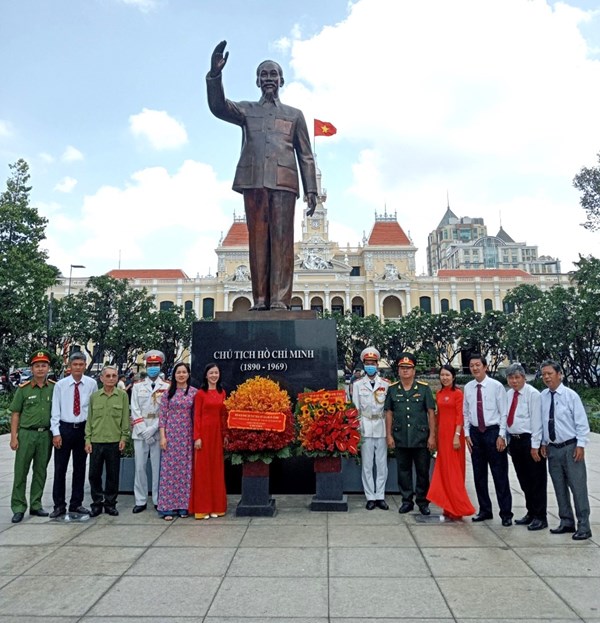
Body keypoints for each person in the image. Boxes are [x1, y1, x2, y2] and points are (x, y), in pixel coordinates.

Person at [206, 40, 318, 311]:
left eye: (273, 74)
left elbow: (306, 154)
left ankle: (280, 300)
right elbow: (219, 107)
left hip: (284, 183)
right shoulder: (247, 110)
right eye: (264, 75)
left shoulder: (295, 115)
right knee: (258, 241)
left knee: (282, 241)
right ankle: (260, 299)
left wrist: (311, 189)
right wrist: (215, 75)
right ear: (257, 82)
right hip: (254, 181)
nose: (269, 79)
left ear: (281, 80)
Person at [539, 360, 592, 540]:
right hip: (553, 449)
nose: (546, 377)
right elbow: (544, 423)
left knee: (578, 487)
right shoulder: (543, 396)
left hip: (571, 448)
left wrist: (581, 445)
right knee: (559, 487)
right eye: (543, 374)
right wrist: (544, 442)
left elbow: (581, 423)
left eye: (550, 373)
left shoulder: (571, 396)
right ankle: (566, 521)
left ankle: (584, 525)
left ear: (559, 374)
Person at [463, 354, 512, 526]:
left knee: (500, 475)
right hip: (476, 434)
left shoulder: (496, 386)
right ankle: (485, 510)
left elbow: (503, 412)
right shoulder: (468, 387)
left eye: (478, 365)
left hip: (493, 432)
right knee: (479, 475)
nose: (475, 368)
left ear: (485, 367)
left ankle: (506, 513)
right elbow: (466, 412)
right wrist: (467, 434)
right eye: (471, 365)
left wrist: (502, 435)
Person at [385, 353, 436, 515]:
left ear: (414, 370)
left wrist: (432, 436)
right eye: (402, 368)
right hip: (401, 437)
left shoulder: (423, 388)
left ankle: (422, 501)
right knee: (403, 471)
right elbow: (389, 413)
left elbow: (431, 413)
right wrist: (389, 435)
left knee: (422, 471)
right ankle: (406, 501)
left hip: (420, 437)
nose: (405, 371)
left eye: (408, 368)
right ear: (398, 371)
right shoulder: (392, 389)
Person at [49, 351, 98, 518]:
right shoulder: (60, 385)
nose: (78, 367)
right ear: (69, 366)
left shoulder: (91, 384)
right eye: (75, 364)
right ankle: (59, 505)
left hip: (82, 430)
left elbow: (93, 409)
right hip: (64, 429)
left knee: (80, 468)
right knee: (60, 469)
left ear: (85, 366)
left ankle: (76, 504)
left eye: (81, 364)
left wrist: (90, 434)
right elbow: (55, 410)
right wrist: (56, 433)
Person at [9, 350, 55, 523]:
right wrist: (14, 437)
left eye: (44, 365)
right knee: (21, 471)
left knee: (40, 471)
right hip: (27, 434)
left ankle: (36, 504)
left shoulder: (54, 388)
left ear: (48, 368)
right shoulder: (24, 390)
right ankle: (19, 507)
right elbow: (15, 414)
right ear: (32, 368)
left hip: (46, 435)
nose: (41, 369)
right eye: (37, 366)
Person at [427, 364, 475, 520]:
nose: (444, 378)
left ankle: (459, 507)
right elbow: (438, 416)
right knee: (443, 471)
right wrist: (433, 435)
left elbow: (459, 416)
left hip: (454, 436)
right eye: (442, 375)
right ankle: (448, 506)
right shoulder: (439, 393)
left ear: (453, 377)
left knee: (454, 472)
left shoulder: (458, 394)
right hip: (442, 435)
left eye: (447, 375)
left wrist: (457, 435)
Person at [505, 362, 547, 531]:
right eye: (511, 378)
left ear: (524, 378)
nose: (514, 381)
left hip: (529, 440)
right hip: (515, 441)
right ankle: (531, 511)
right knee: (524, 480)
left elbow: (537, 421)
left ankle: (540, 516)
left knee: (536, 480)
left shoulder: (533, 394)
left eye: (517, 377)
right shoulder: (509, 395)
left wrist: (535, 446)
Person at [85, 365, 130, 517]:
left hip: (114, 440)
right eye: (108, 376)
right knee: (94, 474)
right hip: (97, 440)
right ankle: (97, 503)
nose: (111, 379)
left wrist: (124, 437)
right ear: (101, 378)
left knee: (112, 474)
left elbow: (125, 418)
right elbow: (90, 419)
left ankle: (110, 503)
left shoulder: (122, 396)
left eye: (114, 376)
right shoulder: (95, 397)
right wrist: (88, 439)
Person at [130, 350, 170, 513]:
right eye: (151, 365)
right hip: (141, 432)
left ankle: (158, 499)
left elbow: (166, 410)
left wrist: (153, 428)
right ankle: (140, 500)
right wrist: (143, 430)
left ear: (161, 366)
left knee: (157, 467)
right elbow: (134, 408)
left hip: (158, 431)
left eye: (156, 365)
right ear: (146, 366)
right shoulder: (137, 386)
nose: (153, 368)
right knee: (139, 467)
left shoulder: (167, 386)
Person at [157, 362, 197, 520]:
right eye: (178, 372)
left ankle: (183, 506)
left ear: (188, 374)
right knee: (169, 472)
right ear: (174, 375)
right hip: (171, 435)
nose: (181, 375)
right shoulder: (168, 393)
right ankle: (168, 507)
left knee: (185, 472)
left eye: (184, 372)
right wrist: (163, 436)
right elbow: (162, 416)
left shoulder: (194, 393)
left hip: (187, 435)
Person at [352, 347, 390, 510]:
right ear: (364, 364)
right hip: (365, 426)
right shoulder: (358, 384)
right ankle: (370, 497)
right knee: (367, 464)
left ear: (377, 364)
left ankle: (380, 495)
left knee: (381, 464)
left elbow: (389, 409)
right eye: (367, 363)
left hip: (381, 426)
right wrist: (357, 429)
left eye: (373, 363)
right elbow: (355, 408)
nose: (370, 366)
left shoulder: (386, 384)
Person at [190, 363, 227, 519]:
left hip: (217, 434)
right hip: (204, 434)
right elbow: (196, 416)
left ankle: (217, 507)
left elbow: (224, 415)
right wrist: (197, 437)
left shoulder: (222, 392)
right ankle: (202, 508)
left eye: (216, 373)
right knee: (203, 470)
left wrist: (225, 434)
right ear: (206, 375)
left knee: (216, 469)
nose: (213, 375)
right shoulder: (200, 394)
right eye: (211, 373)